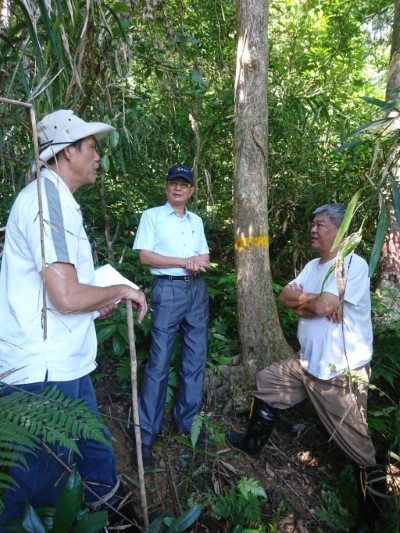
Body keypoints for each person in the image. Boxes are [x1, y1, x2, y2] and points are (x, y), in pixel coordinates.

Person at [0, 109, 147, 531]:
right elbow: (65, 296)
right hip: (42, 373)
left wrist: (94, 300)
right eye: (91, 146)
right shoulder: (49, 203)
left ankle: (111, 517)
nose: (98, 155)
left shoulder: (54, 199)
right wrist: (120, 290)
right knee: (36, 495)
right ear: (67, 152)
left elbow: (64, 290)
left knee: (95, 460)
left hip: (61, 365)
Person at [225, 203, 386, 529]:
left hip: (339, 373)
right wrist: (310, 304)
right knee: (268, 381)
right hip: (306, 363)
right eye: (313, 224)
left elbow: (325, 303)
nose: (313, 230)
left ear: (340, 231)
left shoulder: (351, 265)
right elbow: (286, 297)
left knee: (360, 450)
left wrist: (315, 302)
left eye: (321, 225)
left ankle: (374, 517)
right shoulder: (314, 265)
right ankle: (251, 445)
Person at [132, 164, 210, 471]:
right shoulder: (152, 216)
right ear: (166, 188)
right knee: (159, 360)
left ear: (190, 191)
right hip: (168, 290)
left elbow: (204, 257)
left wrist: (196, 262)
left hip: (196, 292)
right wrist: (184, 261)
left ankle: (186, 423)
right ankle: (146, 437)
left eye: (184, 184)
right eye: (173, 183)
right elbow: (145, 256)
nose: (178, 188)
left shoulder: (196, 221)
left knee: (195, 358)